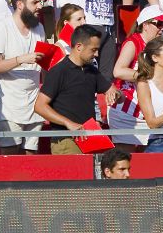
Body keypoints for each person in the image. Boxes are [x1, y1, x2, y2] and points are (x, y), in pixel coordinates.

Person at [0, 0, 46, 154]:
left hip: (34, 103)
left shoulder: (39, 28)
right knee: (10, 154)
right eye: (35, 3)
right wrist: (21, 59)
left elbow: (44, 63)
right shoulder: (1, 27)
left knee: (31, 154)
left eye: (40, 2)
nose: (40, 6)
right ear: (20, 4)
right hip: (9, 106)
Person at [33, 24, 114, 154]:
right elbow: (39, 106)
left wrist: (114, 92)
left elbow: (115, 93)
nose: (97, 54)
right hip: (67, 140)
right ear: (79, 47)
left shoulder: (92, 71)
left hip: (91, 138)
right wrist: (68, 123)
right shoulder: (59, 71)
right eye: (93, 50)